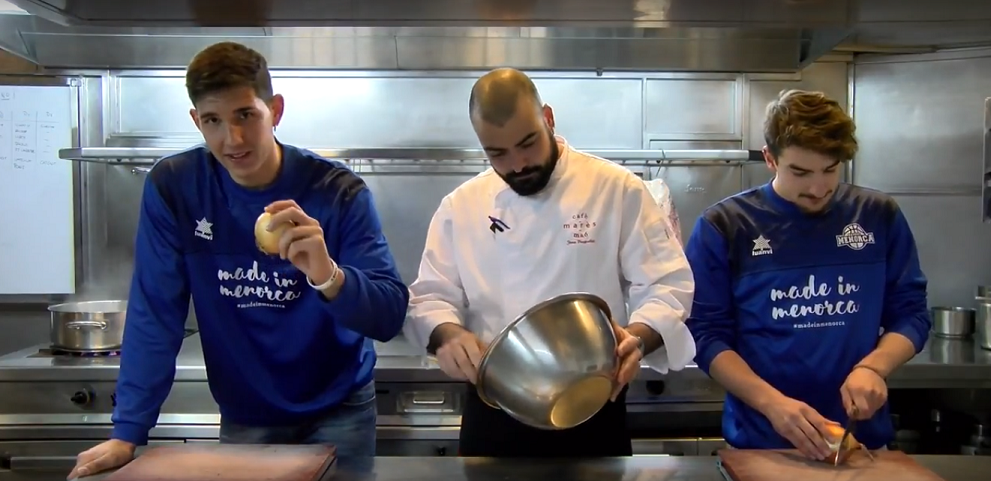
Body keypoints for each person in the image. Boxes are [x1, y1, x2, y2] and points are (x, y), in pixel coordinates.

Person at [68, 41, 408, 479]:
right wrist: (128, 431)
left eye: (246, 115)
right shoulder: (176, 187)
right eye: (213, 121)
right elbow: (156, 313)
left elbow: (389, 315)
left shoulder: (336, 191)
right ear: (197, 121)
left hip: (340, 408)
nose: (233, 139)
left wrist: (329, 276)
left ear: (276, 111)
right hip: (247, 414)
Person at [403, 68, 696, 457]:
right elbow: (429, 297)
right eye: (498, 154)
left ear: (549, 119)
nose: (519, 164)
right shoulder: (461, 207)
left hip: (592, 399)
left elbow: (667, 284)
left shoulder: (616, 189)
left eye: (528, 144)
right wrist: (447, 334)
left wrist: (638, 338)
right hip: (496, 409)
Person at [684, 89, 931, 460]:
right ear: (770, 158)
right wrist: (772, 405)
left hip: (861, 441)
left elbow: (911, 313)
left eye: (830, 170)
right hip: (762, 442)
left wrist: (873, 368)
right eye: (800, 172)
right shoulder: (726, 225)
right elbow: (704, 335)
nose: (818, 189)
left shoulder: (878, 215)